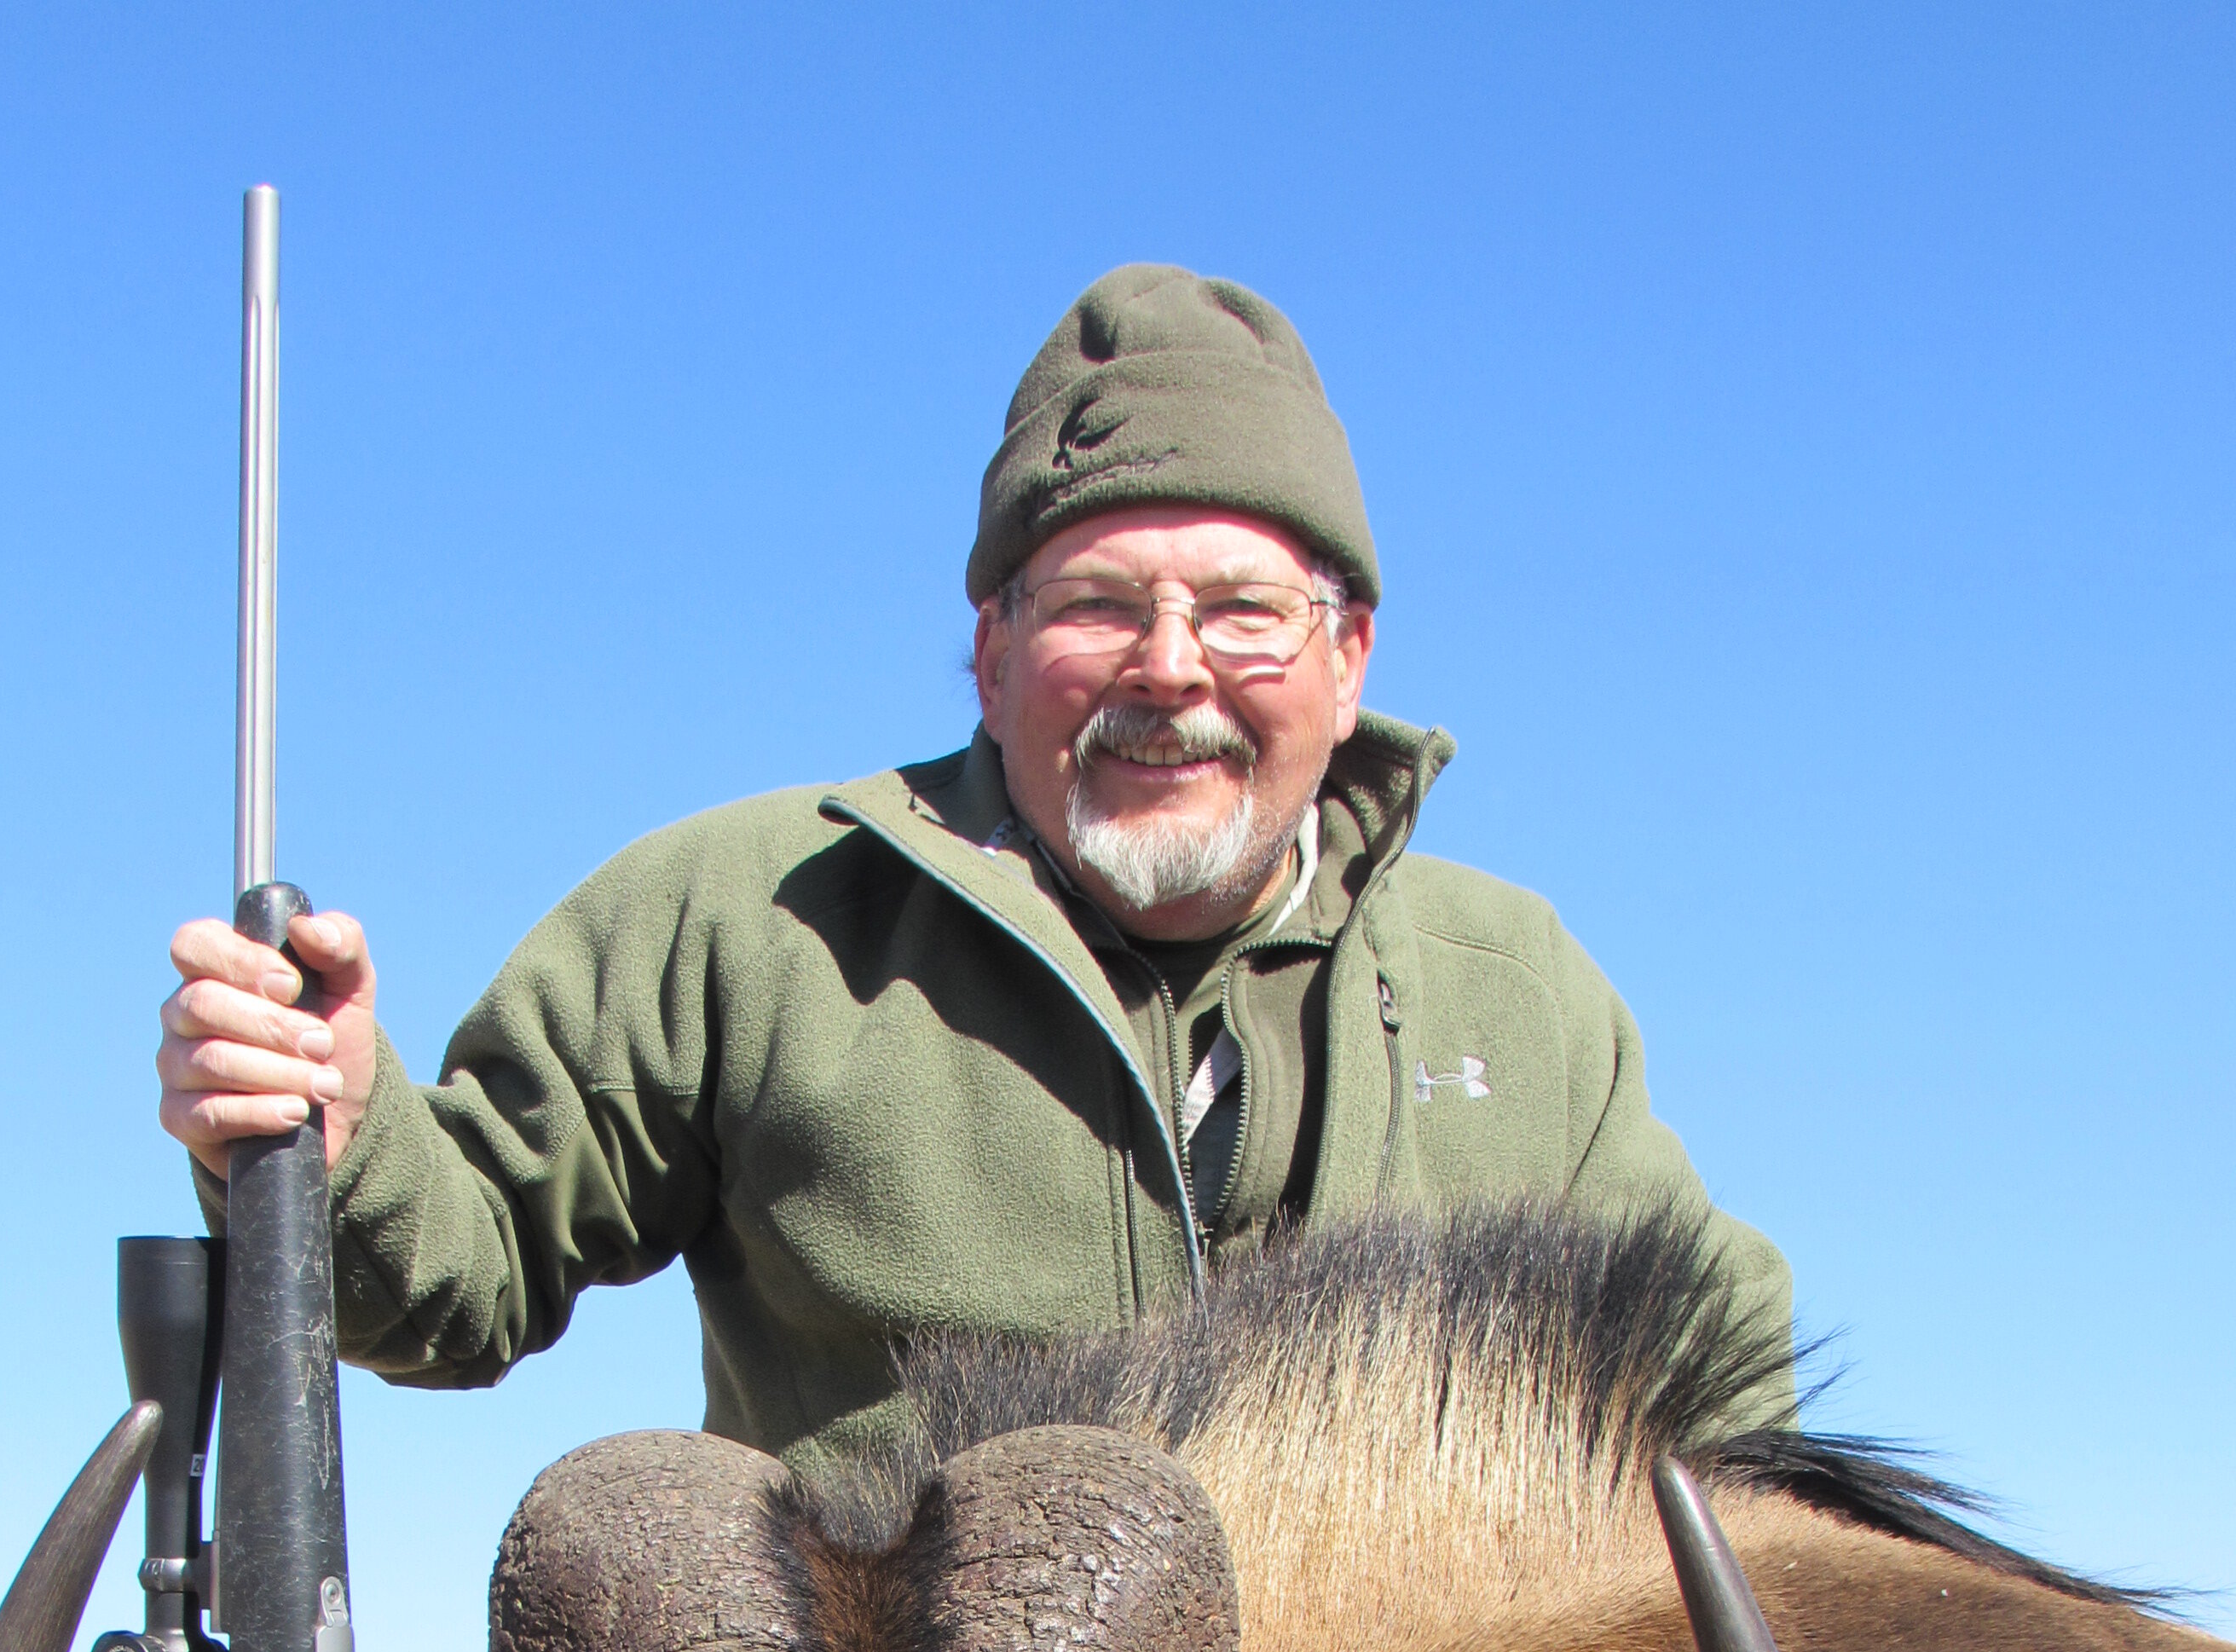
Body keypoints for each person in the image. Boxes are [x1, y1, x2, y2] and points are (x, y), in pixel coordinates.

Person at [158, 265, 1792, 1469]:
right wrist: (338, 1142)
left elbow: (1716, 1391)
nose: (1169, 666)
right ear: (993, 647)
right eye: (1095, 604)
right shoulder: (746, 915)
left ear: (1348, 653)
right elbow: (459, 1273)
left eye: (1241, 608)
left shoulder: (1518, 986)